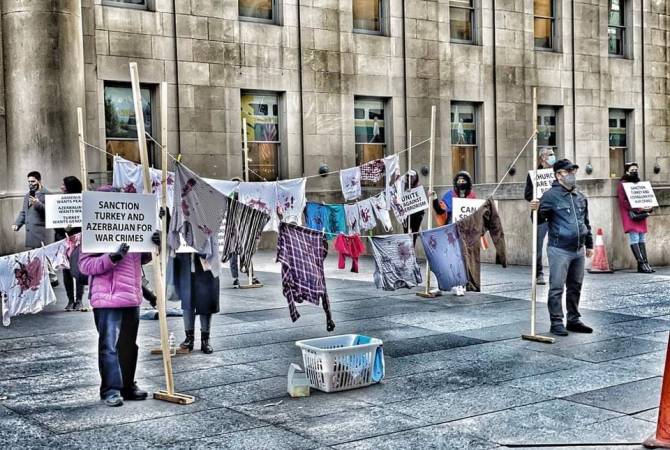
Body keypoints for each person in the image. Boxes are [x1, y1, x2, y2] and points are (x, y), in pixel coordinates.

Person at [79, 230, 160, 407]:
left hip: (131, 297)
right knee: (109, 346)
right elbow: (85, 265)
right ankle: (111, 389)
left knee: (129, 345)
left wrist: (152, 245)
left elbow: (141, 259)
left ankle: (127, 385)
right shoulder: (95, 226)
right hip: (107, 299)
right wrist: (111, 258)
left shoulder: (134, 225)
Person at [530, 159, 594, 336]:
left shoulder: (580, 196)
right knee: (557, 286)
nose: (572, 174)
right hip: (559, 249)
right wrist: (534, 210)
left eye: (573, 171)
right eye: (568, 171)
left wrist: (589, 243)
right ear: (558, 175)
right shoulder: (550, 196)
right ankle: (556, 322)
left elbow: (585, 222)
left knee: (576, 286)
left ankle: (573, 319)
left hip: (578, 249)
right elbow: (538, 220)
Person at [430, 170, 476, 296]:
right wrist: (434, 199)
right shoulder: (449, 195)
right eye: (459, 181)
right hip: (450, 231)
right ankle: (444, 284)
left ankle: (461, 284)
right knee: (447, 258)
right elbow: (440, 211)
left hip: (464, 232)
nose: (461, 183)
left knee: (462, 258)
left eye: (464, 181)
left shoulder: (472, 196)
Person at [173, 250, 220, 354]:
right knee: (187, 302)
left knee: (206, 302)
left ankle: (205, 340)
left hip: (206, 263)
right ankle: (189, 338)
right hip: (185, 263)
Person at [524, 148, 557, 285]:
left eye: (553, 154)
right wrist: (534, 200)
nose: (553, 157)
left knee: (556, 245)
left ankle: (557, 272)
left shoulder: (557, 173)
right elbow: (527, 194)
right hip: (540, 214)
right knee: (538, 245)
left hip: (556, 214)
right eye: (550, 155)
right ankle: (539, 273)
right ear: (543, 158)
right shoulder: (534, 174)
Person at [617, 162, 654, 273]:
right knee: (635, 238)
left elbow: (645, 197)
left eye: (636, 170)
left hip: (641, 213)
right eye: (632, 170)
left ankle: (645, 263)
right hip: (631, 214)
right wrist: (637, 208)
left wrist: (648, 206)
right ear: (627, 171)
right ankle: (642, 264)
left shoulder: (639, 184)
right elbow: (623, 201)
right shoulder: (622, 184)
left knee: (642, 238)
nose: (635, 172)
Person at [54, 176, 84, 311]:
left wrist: (73, 227)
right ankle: (70, 300)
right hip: (63, 239)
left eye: (64, 185)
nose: (61, 187)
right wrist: (63, 229)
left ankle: (79, 300)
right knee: (66, 270)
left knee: (78, 269)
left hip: (78, 239)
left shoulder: (82, 201)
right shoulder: (58, 201)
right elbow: (54, 221)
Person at [227, 177, 260, 288]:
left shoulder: (246, 200)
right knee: (233, 256)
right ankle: (235, 278)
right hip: (232, 233)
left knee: (246, 255)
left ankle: (251, 276)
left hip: (244, 231)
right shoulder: (228, 199)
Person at [13, 171, 50, 249]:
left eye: (33, 181)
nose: (30, 184)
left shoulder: (47, 194)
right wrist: (17, 224)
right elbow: (24, 212)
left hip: (42, 234)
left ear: (39, 181)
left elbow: (51, 212)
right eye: (29, 181)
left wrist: (37, 203)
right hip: (31, 233)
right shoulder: (27, 195)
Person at [402, 170, 425, 246]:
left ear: (416, 177)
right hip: (406, 215)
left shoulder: (419, 187)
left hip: (417, 215)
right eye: (409, 177)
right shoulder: (403, 187)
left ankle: (412, 250)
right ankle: (406, 251)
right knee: (406, 234)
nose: (410, 178)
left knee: (414, 234)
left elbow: (422, 201)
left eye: (412, 177)